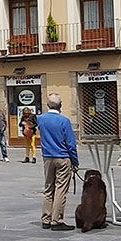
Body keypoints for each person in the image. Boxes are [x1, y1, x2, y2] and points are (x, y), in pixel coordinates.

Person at [38, 93, 79, 231]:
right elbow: (70, 143)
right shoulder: (64, 121)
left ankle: (46, 218)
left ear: (47, 105)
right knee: (60, 189)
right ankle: (57, 220)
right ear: (60, 105)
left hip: (47, 157)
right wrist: (75, 161)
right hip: (62, 157)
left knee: (48, 188)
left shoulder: (41, 119)